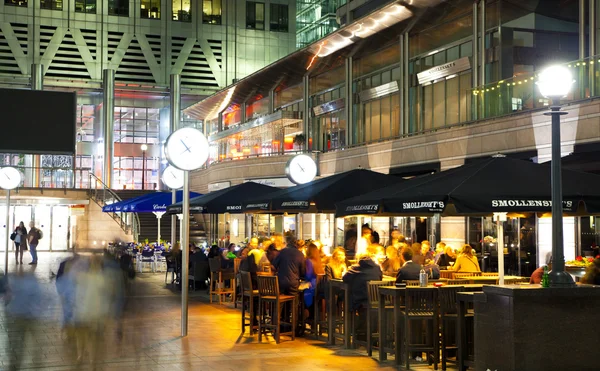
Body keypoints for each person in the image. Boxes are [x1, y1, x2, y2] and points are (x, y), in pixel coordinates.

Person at [342, 253, 382, 340]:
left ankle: (357, 335)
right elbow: (380, 278)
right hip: (377, 301)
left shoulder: (355, 268)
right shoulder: (377, 267)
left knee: (349, 301)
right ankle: (372, 338)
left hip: (360, 300)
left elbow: (345, 278)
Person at [304, 243, 325, 315]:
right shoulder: (318, 262)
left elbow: (308, 275)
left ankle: (304, 314)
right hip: (318, 286)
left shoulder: (308, 261)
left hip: (311, 287)